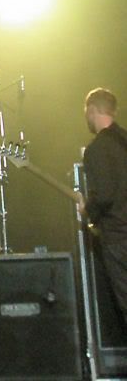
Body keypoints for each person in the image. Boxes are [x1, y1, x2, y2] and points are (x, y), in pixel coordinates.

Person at [77, 87, 127, 325]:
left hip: (118, 237)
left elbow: (105, 194)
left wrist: (87, 210)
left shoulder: (96, 149)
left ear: (92, 110)